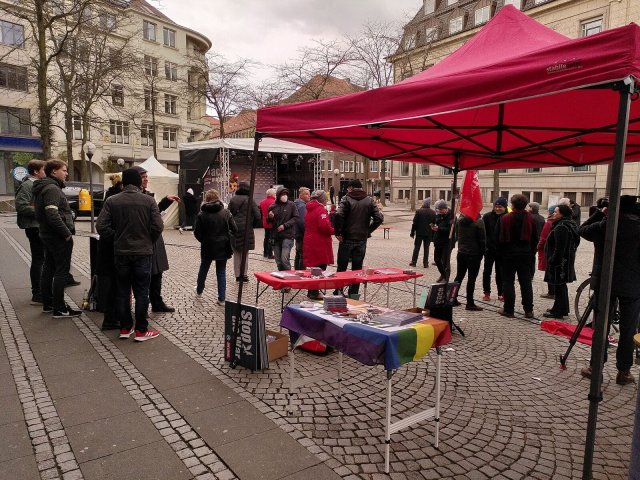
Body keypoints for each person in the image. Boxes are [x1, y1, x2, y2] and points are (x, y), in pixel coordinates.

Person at [578, 195, 640, 385]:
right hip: (633, 285)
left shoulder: (607, 225)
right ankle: (624, 371)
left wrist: (600, 213)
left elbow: (582, 229)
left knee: (601, 327)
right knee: (629, 329)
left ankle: (595, 367)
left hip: (607, 283)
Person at [96, 168, 164, 341]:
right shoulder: (148, 201)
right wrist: (148, 240)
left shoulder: (112, 201)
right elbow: (158, 226)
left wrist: (117, 238)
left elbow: (101, 226)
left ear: (124, 182)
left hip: (121, 253)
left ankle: (125, 328)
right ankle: (141, 330)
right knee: (142, 291)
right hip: (143, 252)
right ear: (139, 182)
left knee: (123, 291)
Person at [32, 160, 81, 318]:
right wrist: (66, 233)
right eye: (64, 170)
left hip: (47, 234)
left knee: (49, 268)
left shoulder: (44, 187)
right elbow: (52, 214)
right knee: (61, 271)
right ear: (53, 171)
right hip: (58, 236)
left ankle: (49, 303)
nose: (66, 173)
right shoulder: (52, 188)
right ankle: (59, 308)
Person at [131, 166, 179, 313]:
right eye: (143, 176)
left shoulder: (148, 195)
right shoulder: (135, 196)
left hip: (155, 240)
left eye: (146, 176)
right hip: (145, 240)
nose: (146, 179)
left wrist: (165, 202)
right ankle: (142, 306)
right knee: (146, 274)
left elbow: (154, 212)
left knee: (157, 272)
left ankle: (157, 302)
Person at [333, 179, 384, 297]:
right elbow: (379, 218)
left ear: (351, 188)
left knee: (342, 267)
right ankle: (354, 293)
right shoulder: (370, 200)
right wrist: (368, 231)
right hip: (361, 239)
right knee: (357, 268)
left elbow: (338, 215)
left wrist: (338, 232)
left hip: (346, 238)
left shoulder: (346, 198)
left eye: (348, 188)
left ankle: (338, 291)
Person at [495, 194, 538, 319]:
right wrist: (531, 253)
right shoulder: (531, 218)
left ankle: (509, 309)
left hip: (508, 254)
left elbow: (497, 239)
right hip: (525, 254)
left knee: (508, 282)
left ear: (512, 205)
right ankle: (528, 310)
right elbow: (535, 238)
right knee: (526, 282)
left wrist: (499, 254)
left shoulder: (504, 218)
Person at [194, 189, 237, 305]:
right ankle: (222, 298)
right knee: (221, 272)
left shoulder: (202, 214)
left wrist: (203, 240)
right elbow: (235, 229)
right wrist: (227, 237)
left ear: (206, 200)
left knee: (204, 268)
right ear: (218, 198)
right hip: (223, 245)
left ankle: (199, 290)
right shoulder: (226, 212)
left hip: (207, 245)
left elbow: (197, 232)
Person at [15, 159, 46, 304]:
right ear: (36, 171)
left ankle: (41, 291)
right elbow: (21, 205)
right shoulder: (28, 185)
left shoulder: (35, 184)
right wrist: (41, 211)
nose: (45, 173)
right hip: (34, 227)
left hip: (38, 226)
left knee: (42, 259)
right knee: (39, 259)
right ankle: (37, 293)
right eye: (43, 170)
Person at [542, 204, 579, 319]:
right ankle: (561, 308)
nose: (554, 213)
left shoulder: (562, 227)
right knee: (561, 286)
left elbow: (560, 248)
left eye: (556, 212)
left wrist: (553, 260)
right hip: (565, 260)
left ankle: (558, 311)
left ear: (562, 214)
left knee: (559, 286)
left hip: (560, 262)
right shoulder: (569, 223)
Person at [303, 190, 334, 300]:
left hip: (310, 241)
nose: (327, 200)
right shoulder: (321, 210)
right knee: (320, 267)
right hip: (319, 242)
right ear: (322, 199)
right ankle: (314, 292)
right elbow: (324, 227)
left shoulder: (309, 209)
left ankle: (311, 290)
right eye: (325, 198)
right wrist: (333, 230)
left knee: (314, 268)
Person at [228, 181, 261, 281]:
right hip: (246, 229)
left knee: (236, 252)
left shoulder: (233, 199)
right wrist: (251, 224)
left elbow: (228, 214)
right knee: (245, 253)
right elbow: (258, 216)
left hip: (234, 229)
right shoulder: (250, 200)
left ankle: (237, 275)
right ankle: (244, 274)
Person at [453, 212, 486, 310]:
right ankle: (470, 303)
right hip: (474, 254)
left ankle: (453, 298)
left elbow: (457, 236)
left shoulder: (459, 221)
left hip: (461, 253)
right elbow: (482, 240)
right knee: (471, 279)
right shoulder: (479, 222)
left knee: (459, 276)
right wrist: (483, 253)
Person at [267, 186, 298, 272]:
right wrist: (270, 217)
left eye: (286, 194)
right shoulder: (272, 206)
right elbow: (268, 221)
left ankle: (288, 277)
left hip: (288, 236)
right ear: (278, 195)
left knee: (284, 259)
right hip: (276, 236)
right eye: (282, 194)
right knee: (279, 261)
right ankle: (281, 276)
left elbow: (296, 218)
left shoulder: (291, 205)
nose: (284, 196)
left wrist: (285, 225)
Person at [482, 197, 507, 301]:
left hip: (501, 250)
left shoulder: (507, 217)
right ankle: (486, 292)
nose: (497, 209)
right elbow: (483, 233)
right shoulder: (487, 217)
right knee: (487, 272)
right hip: (489, 249)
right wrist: (486, 246)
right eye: (496, 207)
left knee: (500, 272)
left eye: (500, 207)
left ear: (505, 207)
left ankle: (501, 293)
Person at [537, 205, 559, 299]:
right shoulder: (558, 222)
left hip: (548, 250)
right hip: (554, 250)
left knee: (549, 270)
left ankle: (551, 292)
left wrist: (539, 247)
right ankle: (553, 291)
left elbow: (543, 237)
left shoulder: (549, 223)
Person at [409, 198, 436, 268]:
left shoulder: (419, 211)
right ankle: (425, 263)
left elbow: (414, 223)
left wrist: (412, 232)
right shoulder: (433, 212)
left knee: (417, 247)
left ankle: (414, 262)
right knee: (426, 248)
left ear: (423, 204)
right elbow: (433, 224)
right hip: (428, 233)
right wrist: (432, 234)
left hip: (419, 233)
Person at [431, 199, 452, 283]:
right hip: (438, 241)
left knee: (445, 261)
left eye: (441, 210)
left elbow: (449, 230)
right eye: (438, 210)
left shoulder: (451, 216)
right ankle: (443, 274)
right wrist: (434, 227)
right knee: (437, 259)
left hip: (446, 242)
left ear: (445, 208)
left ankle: (446, 277)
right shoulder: (439, 215)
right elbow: (437, 222)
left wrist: (439, 228)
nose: (439, 211)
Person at [527, 202, 546, 279]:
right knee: (532, 258)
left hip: (529, 241)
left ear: (532, 208)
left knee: (527, 259)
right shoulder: (541, 218)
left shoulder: (529, 217)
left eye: (529, 207)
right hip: (537, 241)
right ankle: (531, 274)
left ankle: (527, 275)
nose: (528, 208)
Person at [294, 187, 310, 270]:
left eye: (309, 194)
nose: (309, 196)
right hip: (301, 234)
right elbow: (302, 222)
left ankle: (296, 271)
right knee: (302, 254)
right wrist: (306, 232)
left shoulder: (296, 203)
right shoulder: (302, 206)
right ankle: (301, 272)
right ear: (301, 195)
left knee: (298, 253)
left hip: (296, 233)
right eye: (306, 194)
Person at [259, 188, 276, 258]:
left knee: (266, 237)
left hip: (265, 221)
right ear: (272, 194)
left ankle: (265, 252)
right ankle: (270, 253)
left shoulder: (262, 202)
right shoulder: (274, 202)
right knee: (271, 237)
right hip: (272, 222)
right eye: (275, 193)